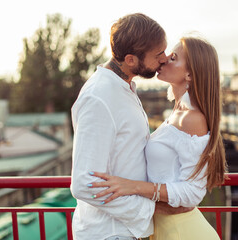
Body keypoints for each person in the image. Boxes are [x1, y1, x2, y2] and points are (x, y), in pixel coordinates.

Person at [88, 36, 227, 240]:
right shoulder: (177, 113)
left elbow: (193, 192)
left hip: (183, 232)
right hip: (164, 228)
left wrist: (133, 186)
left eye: (173, 58)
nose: (163, 60)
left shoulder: (192, 119)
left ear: (189, 74)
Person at [70, 13, 190, 240]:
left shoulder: (122, 87)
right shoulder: (99, 97)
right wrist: (152, 209)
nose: (164, 59)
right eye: (158, 55)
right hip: (109, 233)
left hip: (124, 230)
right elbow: (84, 184)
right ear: (131, 60)